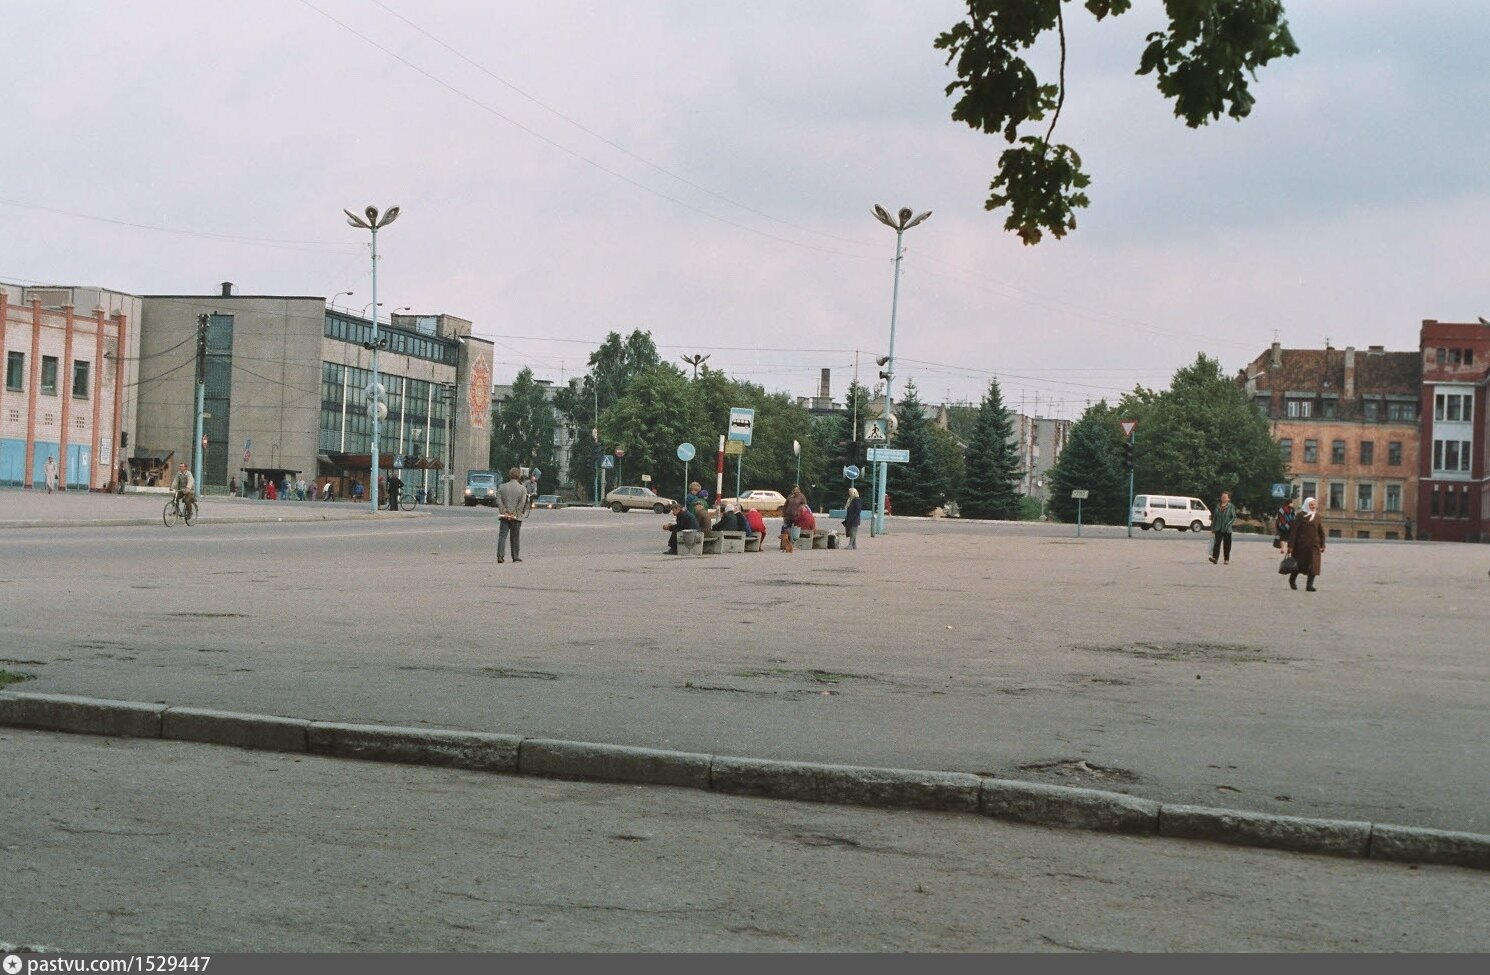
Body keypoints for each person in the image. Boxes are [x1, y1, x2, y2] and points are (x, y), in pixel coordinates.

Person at [1286, 496, 1325, 592]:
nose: (1313, 506)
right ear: (1307, 505)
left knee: (1314, 565)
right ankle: (1292, 580)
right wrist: (1291, 545)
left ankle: (1309, 586)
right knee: (1298, 565)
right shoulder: (1300, 515)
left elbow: (1321, 532)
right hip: (1301, 546)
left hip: (1314, 546)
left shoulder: (1317, 516)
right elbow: (1294, 531)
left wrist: (1322, 545)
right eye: (1311, 505)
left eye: (1314, 504)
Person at [496, 467, 529, 563]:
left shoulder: (502, 487)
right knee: (515, 537)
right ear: (519, 476)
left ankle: (500, 556)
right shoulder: (523, 489)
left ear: (509, 475)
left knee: (502, 536)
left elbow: (498, 500)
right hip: (516, 517)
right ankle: (515, 556)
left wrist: (504, 511)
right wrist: (515, 512)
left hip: (504, 516)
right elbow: (522, 503)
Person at [1208, 491, 1236, 564]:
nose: (1223, 498)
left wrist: (1228, 525)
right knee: (1217, 543)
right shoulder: (1217, 506)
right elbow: (1215, 517)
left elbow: (1233, 517)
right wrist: (1213, 527)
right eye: (1222, 497)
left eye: (1225, 497)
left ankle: (1226, 559)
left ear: (1228, 499)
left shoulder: (1231, 507)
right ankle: (1215, 558)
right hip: (1218, 528)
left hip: (1227, 529)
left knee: (1227, 545)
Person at [782, 485, 806, 551]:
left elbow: (804, 505)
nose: (795, 493)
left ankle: (794, 544)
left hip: (796, 516)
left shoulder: (802, 497)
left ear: (799, 491)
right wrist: (784, 514)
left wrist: (799, 510)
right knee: (786, 530)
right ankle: (786, 545)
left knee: (795, 531)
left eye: (797, 491)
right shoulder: (790, 496)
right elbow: (785, 505)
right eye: (794, 491)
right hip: (788, 516)